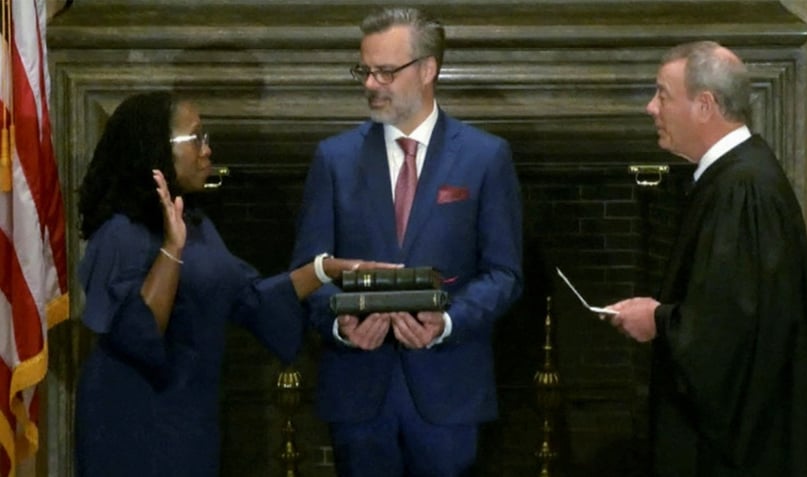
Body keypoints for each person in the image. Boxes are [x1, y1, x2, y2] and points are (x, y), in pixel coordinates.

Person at [73, 91, 395, 477]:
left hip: (191, 415)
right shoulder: (119, 234)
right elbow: (139, 333)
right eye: (197, 138)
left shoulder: (198, 226)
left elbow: (252, 298)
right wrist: (172, 248)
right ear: (157, 150)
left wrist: (327, 270)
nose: (208, 150)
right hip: (132, 417)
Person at [288, 7, 523, 477]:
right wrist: (342, 324)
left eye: (386, 72)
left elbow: (505, 274)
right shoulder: (334, 159)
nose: (371, 84)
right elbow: (310, 272)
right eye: (365, 70)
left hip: (449, 390)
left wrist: (448, 322)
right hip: (359, 392)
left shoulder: (485, 156)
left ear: (428, 69)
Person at [604, 41, 807, 476]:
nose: (650, 107)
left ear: (705, 105)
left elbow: (729, 332)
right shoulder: (737, 177)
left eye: (662, 94)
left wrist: (658, 320)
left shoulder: (741, 189)